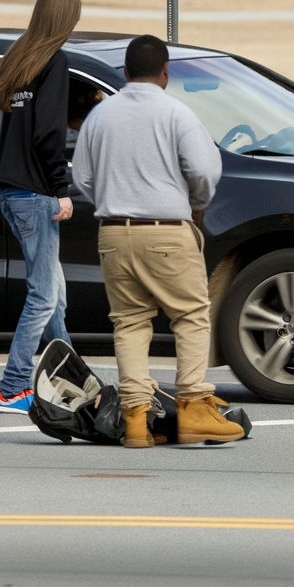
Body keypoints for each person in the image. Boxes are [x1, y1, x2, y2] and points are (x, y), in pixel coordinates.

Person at [72, 34, 245, 447]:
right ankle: (193, 407)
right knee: (190, 316)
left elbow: (80, 176)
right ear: (165, 72)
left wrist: (113, 201)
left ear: (126, 72)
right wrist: (195, 203)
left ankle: (134, 417)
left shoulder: (99, 116)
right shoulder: (178, 113)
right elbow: (204, 170)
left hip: (113, 232)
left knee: (130, 323)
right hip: (167, 230)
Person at [0, 0, 81, 414]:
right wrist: (61, 190)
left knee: (54, 295)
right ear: (64, 19)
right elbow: (48, 134)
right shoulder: (54, 61)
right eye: (74, 17)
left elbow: (18, 131)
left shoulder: (18, 58)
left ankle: (70, 381)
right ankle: (12, 388)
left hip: (11, 190)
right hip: (36, 193)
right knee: (43, 296)